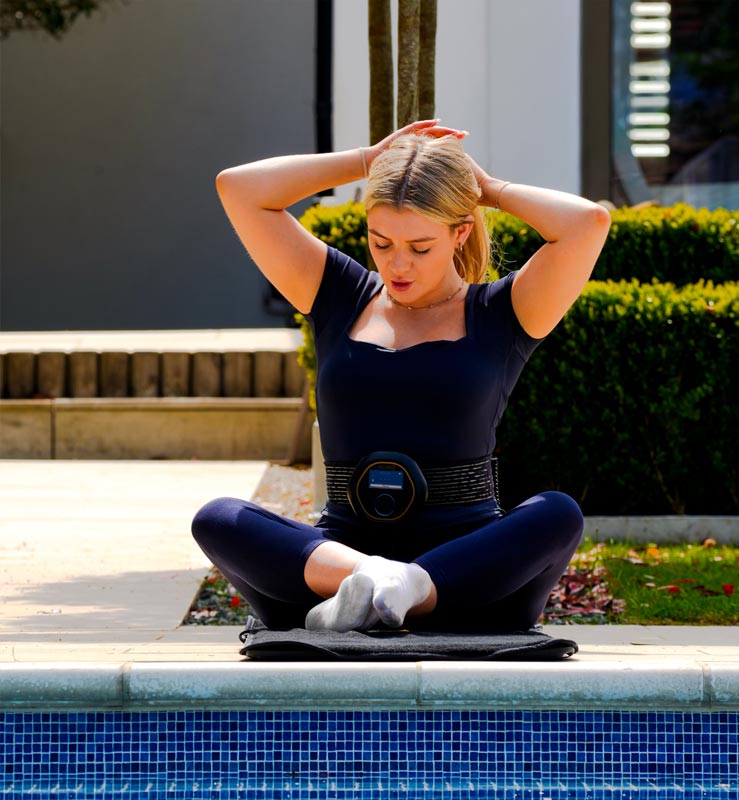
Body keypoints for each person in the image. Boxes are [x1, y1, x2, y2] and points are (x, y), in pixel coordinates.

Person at [191, 119, 611, 634]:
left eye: (419, 246)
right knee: (218, 518)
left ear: (459, 232)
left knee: (557, 514)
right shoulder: (339, 295)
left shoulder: (502, 313)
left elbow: (587, 223)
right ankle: (371, 581)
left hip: (468, 578)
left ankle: (411, 587)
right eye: (381, 242)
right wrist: (370, 159)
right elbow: (239, 188)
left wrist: (488, 190)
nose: (398, 265)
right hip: (339, 564)